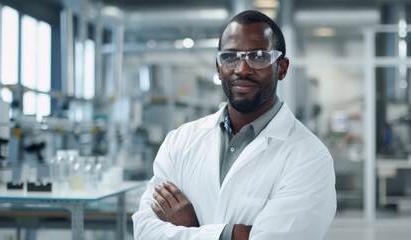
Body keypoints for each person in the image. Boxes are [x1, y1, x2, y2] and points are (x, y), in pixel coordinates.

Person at [132, 10, 336, 240]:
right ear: (219, 68)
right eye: (230, 57)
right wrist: (233, 234)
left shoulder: (309, 156)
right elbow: (144, 230)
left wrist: (192, 225)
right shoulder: (180, 141)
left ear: (282, 68)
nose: (242, 69)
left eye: (259, 56)